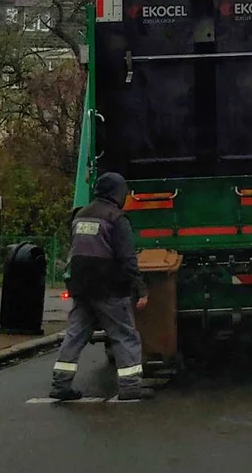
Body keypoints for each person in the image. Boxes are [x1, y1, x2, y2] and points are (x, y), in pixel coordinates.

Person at [50, 172, 154, 402]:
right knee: (125, 335)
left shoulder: (80, 215)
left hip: (80, 286)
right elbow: (127, 258)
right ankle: (130, 386)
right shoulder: (115, 218)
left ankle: (60, 384)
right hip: (108, 288)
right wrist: (140, 288)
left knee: (75, 334)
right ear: (118, 193)